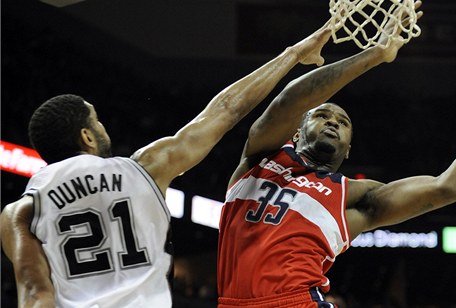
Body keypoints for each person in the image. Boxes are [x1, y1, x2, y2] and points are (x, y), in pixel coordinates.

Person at [216, 7, 456, 308]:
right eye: (322, 115)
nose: (334, 120)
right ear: (296, 132)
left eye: (344, 121)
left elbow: (447, 186)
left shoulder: (352, 197)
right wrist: (375, 55)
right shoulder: (258, 159)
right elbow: (288, 102)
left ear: (349, 149)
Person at [0, 22, 334, 308]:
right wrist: (292, 55)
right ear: (87, 136)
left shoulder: (20, 211)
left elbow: (35, 293)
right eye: (98, 121)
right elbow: (227, 109)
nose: (104, 128)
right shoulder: (143, 168)